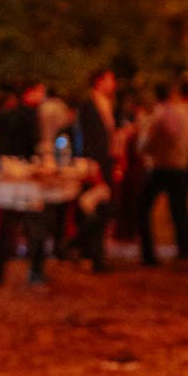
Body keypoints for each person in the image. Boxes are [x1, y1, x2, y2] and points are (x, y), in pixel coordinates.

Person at [0, 79, 48, 286]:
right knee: (35, 225)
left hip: (6, 177)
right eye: (40, 91)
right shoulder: (30, 116)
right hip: (26, 177)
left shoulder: (4, 115)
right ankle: (36, 271)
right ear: (30, 93)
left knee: (7, 226)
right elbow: (34, 148)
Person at [137, 82, 188, 264]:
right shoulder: (185, 114)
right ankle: (186, 248)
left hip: (161, 166)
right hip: (181, 166)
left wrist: (146, 151)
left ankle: (148, 252)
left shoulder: (159, 115)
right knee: (180, 209)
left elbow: (147, 143)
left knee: (143, 207)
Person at [73, 67, 117, 271]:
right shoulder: (88, 105)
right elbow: (88, 139)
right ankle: (87, 253)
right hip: (93, 165)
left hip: (106, 163)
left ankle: (95, 254)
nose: (113, 84)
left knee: (102, 209)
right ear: (99, 82)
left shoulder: (107, 105)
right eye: (110, 79)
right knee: (93, 209)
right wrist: (92, 164)